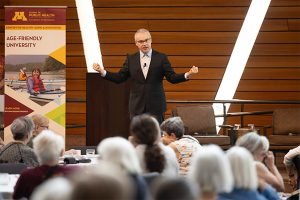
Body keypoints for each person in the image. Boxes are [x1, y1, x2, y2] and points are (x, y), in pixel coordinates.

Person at [93, 28, 198, 124]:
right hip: (136, 106)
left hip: (156, 107)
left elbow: (172, 77)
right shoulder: (131, 59)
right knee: (138, 138)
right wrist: (102, 71)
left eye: (147, 40)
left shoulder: (161, 58)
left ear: (151, 40)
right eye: (141, 41)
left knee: (157, 138)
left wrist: (188, 74)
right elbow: (120, 77)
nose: (145, 43)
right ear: (136, 44)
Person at [13, 130, 78, 199]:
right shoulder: (74, 173)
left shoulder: (26, 176)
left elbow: (16, 197)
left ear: (36, 152)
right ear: (61, 152)